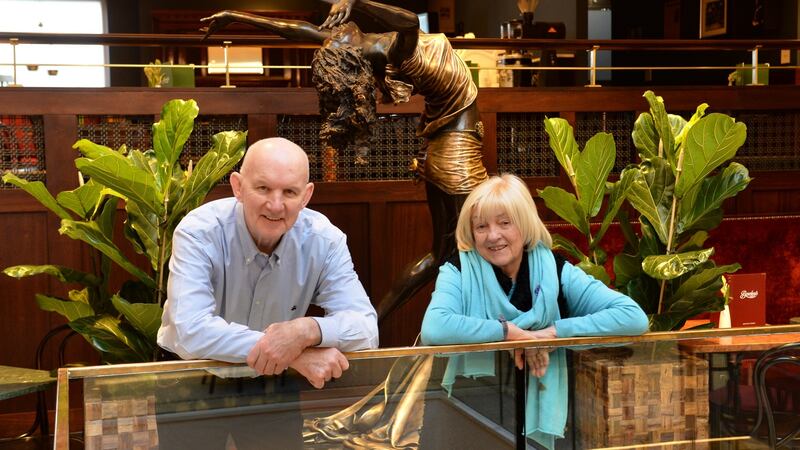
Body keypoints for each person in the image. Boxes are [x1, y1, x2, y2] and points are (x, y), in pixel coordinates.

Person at [201, 0, 489, 323]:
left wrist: (236, 17)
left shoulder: (358, 44)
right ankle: (440, 327)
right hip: (455, 146)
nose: (335, 33)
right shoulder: (392, 49)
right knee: (472, 250)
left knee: (446, 256)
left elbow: (300, 31)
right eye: (336, 38)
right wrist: (355, 1)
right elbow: (409, 21)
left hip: (443, 137)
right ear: (354, 58)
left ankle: (376, 321)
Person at [420, 174, 649, 449]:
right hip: (469, 409)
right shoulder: (457, 269)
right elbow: (434, 328)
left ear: (525, 224)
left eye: (505, 223)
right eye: (481, 226)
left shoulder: (554, 267)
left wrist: (550, 335)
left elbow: (632, 317)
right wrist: (510, 333)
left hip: (545, 411)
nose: (493, 236)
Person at [158, 137, 378, 389]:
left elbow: (367, 330)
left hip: (274, 379)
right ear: (238, 187)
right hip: (193, 375)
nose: (275, 205)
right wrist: (294, 353)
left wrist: (306, 331)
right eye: (263, 188)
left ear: (306, 196)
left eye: (289, 192)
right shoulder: (198, 232)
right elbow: (191, 331)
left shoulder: (325, 241)